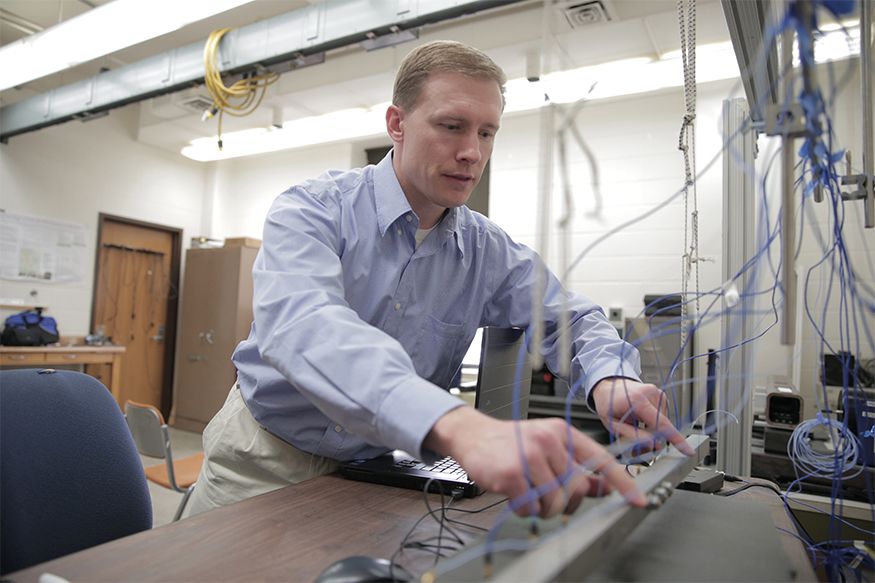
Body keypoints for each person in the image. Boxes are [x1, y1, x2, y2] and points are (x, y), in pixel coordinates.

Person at [186, 40, 692, 519]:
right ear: (397, 123)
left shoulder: (488, 252)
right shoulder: (313, 210)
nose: (472, 151)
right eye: (452, 126)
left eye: (487, 132)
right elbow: (306, 328)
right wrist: (455, 425)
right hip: (263, 461)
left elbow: (572, 317)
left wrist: (611, 379)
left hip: (378, 472)